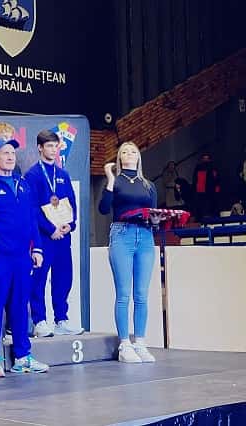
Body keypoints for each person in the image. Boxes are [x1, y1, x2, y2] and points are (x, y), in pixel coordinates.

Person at [0, 137, 48, 377]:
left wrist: (37, 248)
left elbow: (32, 219)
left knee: (20, 308)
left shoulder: (23, 184)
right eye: (5, 153)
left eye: (13, 153)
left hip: (22, 258)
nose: (11, 157)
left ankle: (22, 357)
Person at [98, 142, 157, 363]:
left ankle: (140, 342)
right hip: (122, 234)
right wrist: (110, 179)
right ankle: (125, 344)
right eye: (124, 151)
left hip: (145, 236)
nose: (129, 154)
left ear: (139, 157)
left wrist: (157, 220)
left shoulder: (148, 184)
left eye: (133, 151)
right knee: (123, 293)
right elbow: (104, 208)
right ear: (119, 158)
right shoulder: (116, 182)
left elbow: (153, 212)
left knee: (141, 294)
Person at [25, 130, 83, 337]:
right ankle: (39, 321)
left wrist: (71, 224)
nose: (53, 150)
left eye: (55, 146)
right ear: (40, 148)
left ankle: (61, 319)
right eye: (49, 146)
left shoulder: (63, 174)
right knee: (39, 279)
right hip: (44, 237)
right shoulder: (32, 175)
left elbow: (72, 204)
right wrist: (50, 229)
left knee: (63, 277)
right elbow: (31, 209)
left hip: (63, 237)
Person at [192, 153, 220, 219]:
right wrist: (196, 187)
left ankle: (213, 216)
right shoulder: (198, 167)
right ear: (202, 159)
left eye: (207, 158)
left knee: (212, 203)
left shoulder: (213, 167)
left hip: (211, 189)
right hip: (201, 189)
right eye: (204, 158)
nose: (206, 160)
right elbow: (195, 178)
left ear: (210, 159)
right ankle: (200, 217)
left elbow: (216, 178)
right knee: (201, 204)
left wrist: (217, 188)